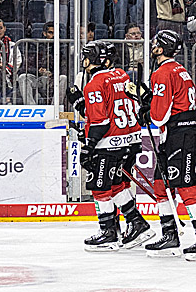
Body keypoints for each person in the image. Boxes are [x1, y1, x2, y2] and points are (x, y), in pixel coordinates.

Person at [65, 41, 153, 251]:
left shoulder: (94, 84)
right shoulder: (122, 75)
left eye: (86, 56)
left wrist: (89, 145)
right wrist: (80, 104)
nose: (83, 60)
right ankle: (137, 223)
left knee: (100, 186)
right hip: (130, 140)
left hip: (109, 143)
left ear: (95, 59)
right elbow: (107, 109)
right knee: (116, 185)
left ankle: (108, 232)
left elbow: (100, 121)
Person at [136, 30, 196, 259]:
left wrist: (148, 111)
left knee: (186, 185)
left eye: (155, 44)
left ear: (162, 48)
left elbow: (159, 116)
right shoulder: (180, 70)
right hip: (178, 134)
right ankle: (170, 236)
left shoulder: (163, 72)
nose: (152, 46)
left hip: (181, 135)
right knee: (161, 185)